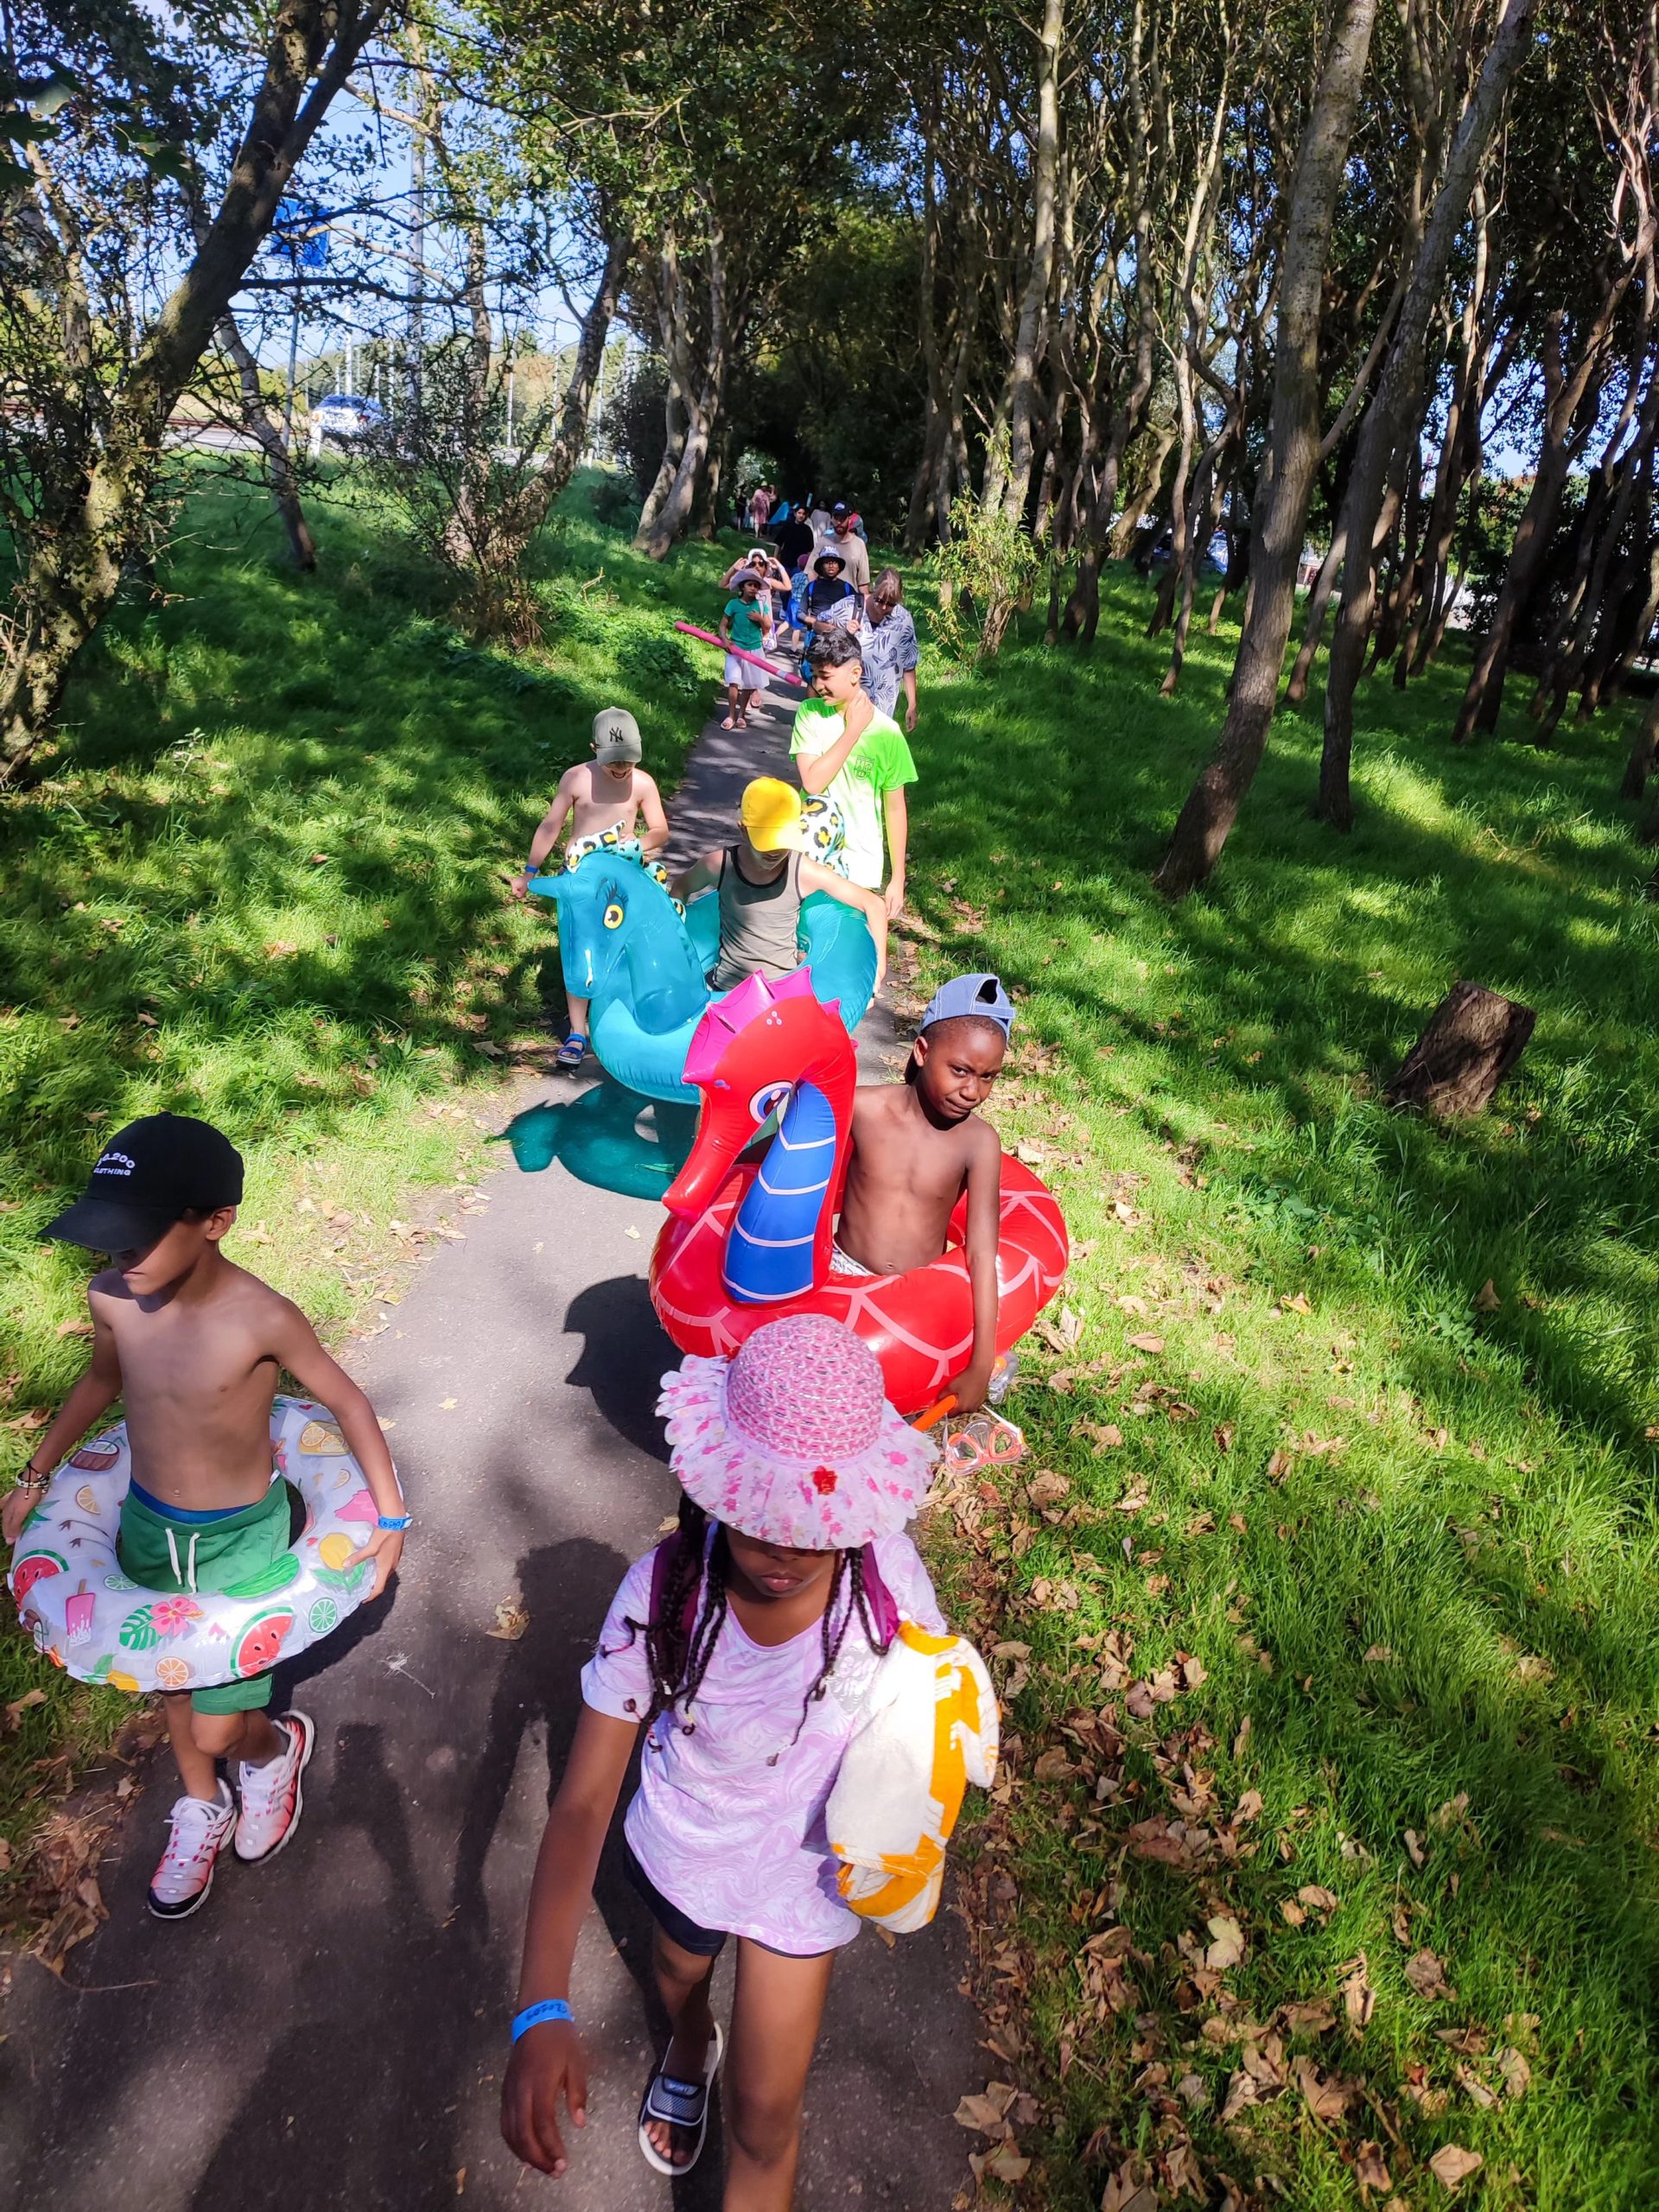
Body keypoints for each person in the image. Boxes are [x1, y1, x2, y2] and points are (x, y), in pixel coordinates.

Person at [500, 1313, 944, 2196]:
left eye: (815, 1522)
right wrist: (540, 2005)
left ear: (859, 1506)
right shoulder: (662, 1591)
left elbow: (929, 1719)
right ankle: (689, 2042)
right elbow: (585, 1801)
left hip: (802, 1872)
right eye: (757, 1519)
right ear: (713, 1488)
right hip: (685, 1849)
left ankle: (710, 2061)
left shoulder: (891, 1587)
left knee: (767, 2118)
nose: (784, 1549)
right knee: (677, 1975)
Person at [2, 1114, 409, 1919]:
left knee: (222, 1726)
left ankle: (270, 1751)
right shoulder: (113, 1299)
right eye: (106, 1240)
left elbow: (346, 1402)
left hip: (239, 1543)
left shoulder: (261, 1317)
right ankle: (201, 1805)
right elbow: (98, 1384)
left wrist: (389, 1522)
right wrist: (32, 1476)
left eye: (137, 1238)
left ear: (215, 1222)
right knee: (172, 1683)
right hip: (148, 1530)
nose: (116, 1258)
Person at [833, 975, 1012, 1413]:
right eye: (961, 1071)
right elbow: (785, 1169)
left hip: (921, 1296)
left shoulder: (978, 1143)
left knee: (892, 1419)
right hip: (843, 1279)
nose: (972, 1091)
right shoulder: (861, 1108)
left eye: (988, 1077)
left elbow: (979, 1253)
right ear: (922, 1051)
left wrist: (981, 1362)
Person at [510, 708, 671, 1069]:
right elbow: (551, 826)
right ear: (594, 747)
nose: (621, 769)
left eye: (628, 762)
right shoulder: (576, 779)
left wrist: (639, 843)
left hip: (623, 878)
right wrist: (529, 872)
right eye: (614, 762)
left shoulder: (642, 784)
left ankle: (621, 1015)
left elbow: (660, 830)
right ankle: (578, 1030)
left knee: (625, 947)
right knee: (580, 950)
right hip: (580, 878)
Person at [672, 777, 886, 993]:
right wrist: (677, 933)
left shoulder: (801, 871)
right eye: (767, 841)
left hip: (781, 993)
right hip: (727, 989)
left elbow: (873, 904)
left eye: (782, 840)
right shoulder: (719, 865)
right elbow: (681, 887)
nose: (775, 851)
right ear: (744, 830)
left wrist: (878, 971)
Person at [790, 629, 916, 916]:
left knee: (845, 948)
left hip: (860, 864)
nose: (818, 684)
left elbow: (895, 809)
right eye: (814, 676)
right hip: (811, 857)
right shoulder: (810, 713)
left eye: (825, 676)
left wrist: (898, 878)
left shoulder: (887, 733)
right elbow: (812, 782)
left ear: (854, 673)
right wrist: (853, 729)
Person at [858, 568, 919, 732]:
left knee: (872, 754)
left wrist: (912, 704)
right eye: (879, 600)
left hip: (882, 708)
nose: (884, 607)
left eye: (891, 603)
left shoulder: (904, 619)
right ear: (874, 588)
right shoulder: (851, 608)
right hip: (849, 701)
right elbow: (821, 627)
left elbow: (909, 665)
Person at [798, 550, 857, 681]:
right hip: (816, 637)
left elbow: (857, 611)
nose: (831, 565)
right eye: (827, 562)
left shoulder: (847, 588)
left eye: (834, 562)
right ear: (821, 566)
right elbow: (800, 613)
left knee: (836, 677)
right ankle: (812, 702)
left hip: (841, 638)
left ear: (839, 567)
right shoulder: (812, 587)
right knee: (813, 677)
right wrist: (815, 623)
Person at [824, 505, 869, 594]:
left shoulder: (860, 543)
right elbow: (812, 574)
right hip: (826, 595)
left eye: (843, 519)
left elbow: (863, 583)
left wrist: (864, 602)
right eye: (837, 518)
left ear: (849, 519)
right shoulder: (825, 539)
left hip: (849, 596)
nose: (839, 522)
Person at [771, 504, 816, 581]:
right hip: (786, 561)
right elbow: (778, 544)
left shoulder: (807, 530)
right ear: (795, 514)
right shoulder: (787, 526)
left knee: (795, 587)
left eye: (803, 514)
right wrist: (775, 559)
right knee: (784, 586)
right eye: (799, 513)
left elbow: (810, 549)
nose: (801, 516)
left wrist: (808, 565)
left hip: (799, 564)